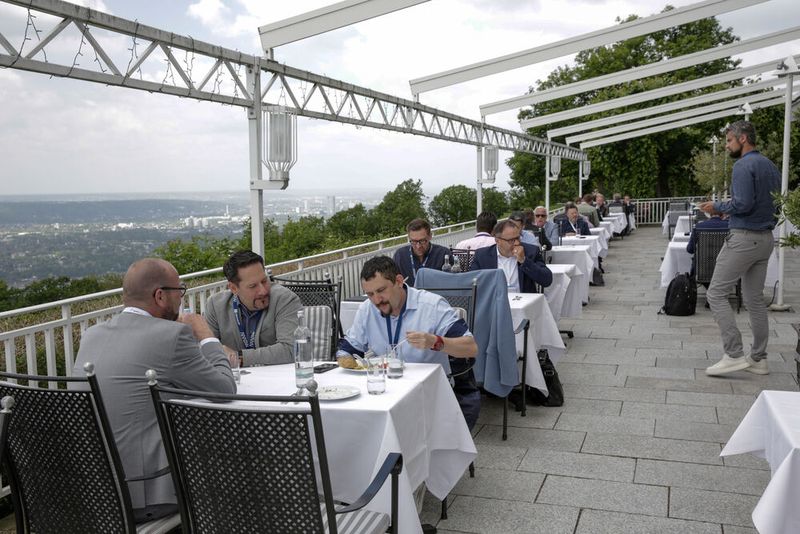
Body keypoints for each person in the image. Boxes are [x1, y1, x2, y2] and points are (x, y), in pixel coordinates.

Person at [72, 258, 236, 523]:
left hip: (90, 491)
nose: (181, 300)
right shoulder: (171, 336)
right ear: (160, 296)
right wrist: (206, 336)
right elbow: (225, 390)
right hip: (146, 492)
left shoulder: (92, 335)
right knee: (233, 467)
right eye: (179, 292)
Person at [336, 256, 480, 425]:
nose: (376, 300)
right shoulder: (367, 309)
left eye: (381, 290)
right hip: (385, 394)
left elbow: (470, 348)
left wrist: (435, 341)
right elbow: (348, 350)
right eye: (370, 294)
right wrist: (345, 360)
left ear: (398, 281)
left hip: (430, 394)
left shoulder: (432, 306)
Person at [698, 120, 780, 377]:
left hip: (744, 239)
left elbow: (743, 204)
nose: (726, 146)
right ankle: (759, 359)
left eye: (729, 141)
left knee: (716, 294)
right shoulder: (770, 165)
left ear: (743, 138)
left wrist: (718, 207)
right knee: (755, 300)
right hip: (766, 238)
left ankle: (733, 354)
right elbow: (773, 204)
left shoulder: (743, 165)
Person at [205, 250, 302, 366]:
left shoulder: (285, 299)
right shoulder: (216, 305)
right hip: (235, 381)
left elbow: (291, 350)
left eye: (264, 281)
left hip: (278, 379)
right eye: (253, 286)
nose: (263, 290)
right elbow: (207, 350)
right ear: (233, 288)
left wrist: (239, 357)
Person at [470, 220, 553, 293]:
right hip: (494, 305)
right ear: (497, 240)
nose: (517, 243)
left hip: (523, 304)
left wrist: (524, 261)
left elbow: (547, 280)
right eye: (511, 240)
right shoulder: (482, 255)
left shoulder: (530, 251)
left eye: (518, 238)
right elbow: (472, 283)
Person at [393, 218, 448, 286]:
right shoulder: (400, 255)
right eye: (414, 241)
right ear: (409, 238)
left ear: (430, 236)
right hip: (409, 295)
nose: (418, 246)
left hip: (435, 295)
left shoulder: (443, 254)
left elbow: (452, 282)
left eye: (422, 241)